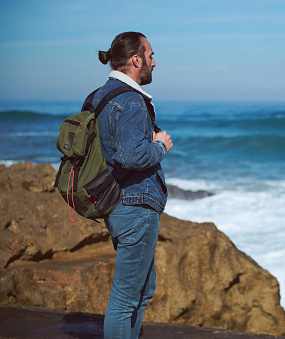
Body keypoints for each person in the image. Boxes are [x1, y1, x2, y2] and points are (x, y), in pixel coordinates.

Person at [94, 32, 172, 339]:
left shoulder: (104, 94)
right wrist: (161, 145)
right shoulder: (130, 100)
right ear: (135, 60)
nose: (155, 62)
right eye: (150, 55)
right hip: (135, 207)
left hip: (120, 203)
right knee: (125, 298)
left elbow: (117, 149)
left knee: (143, 289)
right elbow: (133, 155)